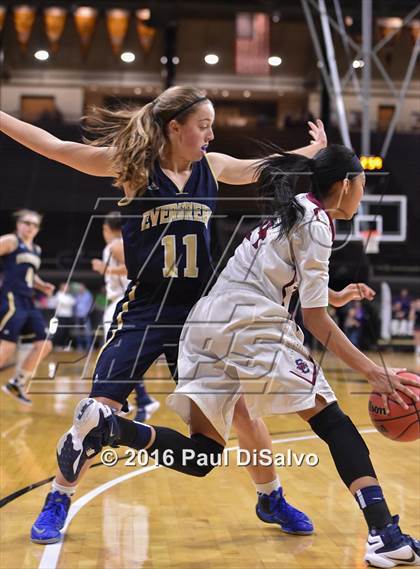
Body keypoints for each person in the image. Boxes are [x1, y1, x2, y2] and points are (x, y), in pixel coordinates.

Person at [57, 146, 419, 568]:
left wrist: (334, 295)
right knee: (334, 422)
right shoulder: (319, 226)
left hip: (204, 323)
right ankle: (383, 535)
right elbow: (317, 322)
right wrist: (373, 371)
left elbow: (290, 279)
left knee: (203, 454)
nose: (362, 194)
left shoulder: (299, 208)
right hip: (250, 323)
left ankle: (110, 426)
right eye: (361, 185)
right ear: (344, 186)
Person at [0, 87, 326, 544]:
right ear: (175, 127)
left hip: (201, 315)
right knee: (96, 412)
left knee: (243, 413)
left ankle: (270, 496)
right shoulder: (132, 166)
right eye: (204, 125)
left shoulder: (211, 168)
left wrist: (311, 152)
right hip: (145, 310)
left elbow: (263, 168)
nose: (211, 133)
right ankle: (58, 498)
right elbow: (54, 147)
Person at [91, 211, 159, 422]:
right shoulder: (123, 243)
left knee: (113, 354)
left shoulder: (115, 245)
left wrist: (106, 270)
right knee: (120, 355)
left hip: (122, 301)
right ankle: (139, 400)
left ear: (106, 228)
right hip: (121, 302)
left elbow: (134, 269)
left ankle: (137, 400)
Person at [0, 210, 55, 404]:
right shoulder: (11, 241)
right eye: (26, 223)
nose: (30, 227)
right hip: (12, 298)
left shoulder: (36, 250)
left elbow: (31, 274)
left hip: (29, 301)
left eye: (34, 224)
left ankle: (16, 383)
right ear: (18, 224)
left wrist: (41, 285)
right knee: (7, 347)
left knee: (45, 344)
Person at [50, 283, 76, 349]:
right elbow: (64, 302)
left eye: (68, 287)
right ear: (62, 287)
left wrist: (68, 302)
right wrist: (68, 302)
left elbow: (73, 302)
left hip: (68, 316)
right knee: (60, 332)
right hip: (61, 316)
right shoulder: (58, 294)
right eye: (66, 287)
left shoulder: (69, 295)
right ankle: (57, 345)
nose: (67, 288)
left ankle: (65, 346)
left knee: (66, 332)